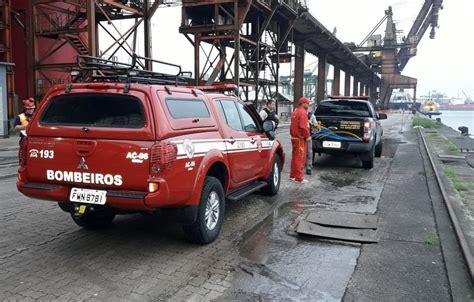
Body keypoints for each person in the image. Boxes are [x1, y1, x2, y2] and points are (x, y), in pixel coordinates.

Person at [290, 97, 311, 184]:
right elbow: (303, 126)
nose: (308, 105)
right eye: (307, 103)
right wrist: (307, 136)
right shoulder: (302, 112)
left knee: (295, 157)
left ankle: (293, 175)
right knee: (300, 158)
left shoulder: (295, 111)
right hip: (300, 138)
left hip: (294, 137)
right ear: (303, 103)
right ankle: (299, 177)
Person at [306, 107, 318, 175]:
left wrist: (311, 123)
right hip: (300, 137)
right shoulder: (299, 114)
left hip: (308, 136)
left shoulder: (311, 116)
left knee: (309, 152)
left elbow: (316, 126)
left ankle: (309, 167)